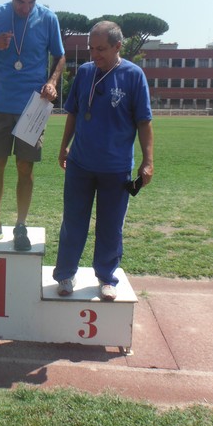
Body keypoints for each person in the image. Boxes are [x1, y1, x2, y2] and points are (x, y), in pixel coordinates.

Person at [53, 21, 154, 301]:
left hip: (116, 168)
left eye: (101, 49)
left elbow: (144, 122)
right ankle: (65, 274)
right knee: (73, 222)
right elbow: (72, 113)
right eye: (91, 48)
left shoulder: (134, 76)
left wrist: (148, 161)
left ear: (117, 47)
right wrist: (64, 147)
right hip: (80, 165)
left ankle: (107, 278)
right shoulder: (85, 73)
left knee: (110, 226)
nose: (94, 54)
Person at [0, 0, 65, 250]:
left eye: (31, 2)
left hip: (33, 106)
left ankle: (21, 225)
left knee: (25, 167)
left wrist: (52, 81)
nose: (25, 8)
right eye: (20, 1)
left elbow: (60, 56)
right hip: (1, 104)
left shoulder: (48, 19)